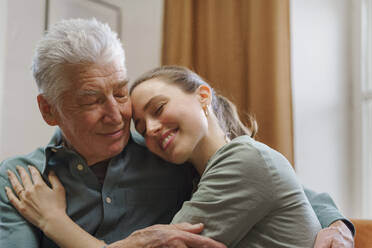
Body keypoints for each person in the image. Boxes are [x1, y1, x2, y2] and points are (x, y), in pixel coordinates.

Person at [0, 18, 354, 247]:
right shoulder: (22, 184)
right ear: (49, 110)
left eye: (120, 92)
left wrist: (338, 226)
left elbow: (286, 186)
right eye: (91, 100)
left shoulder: (167, 152)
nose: (116, 115)